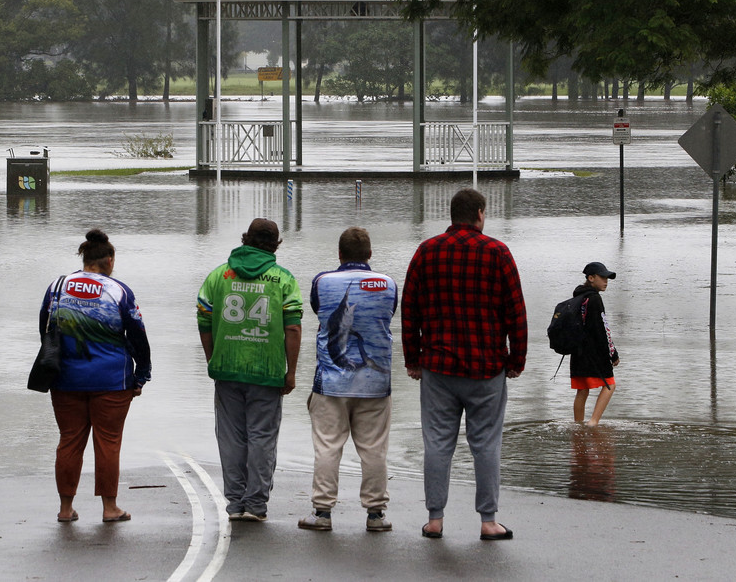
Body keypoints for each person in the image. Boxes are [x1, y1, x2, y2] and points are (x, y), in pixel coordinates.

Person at [402, 187, 527, 541]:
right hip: (486, 366)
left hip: (438, 366)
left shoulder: (426, 252)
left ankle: (435, 519)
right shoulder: (498, 253)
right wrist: (516, 360)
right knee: (486, 444)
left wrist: (414, 359)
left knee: (438, 443)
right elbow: (515, 312)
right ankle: (488, 521)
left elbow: (409, 311)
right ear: (480, 214)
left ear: (452, 214)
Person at [197, 218, 303, 522]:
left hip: (227, 369)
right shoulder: (283, 279)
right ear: (276, 245)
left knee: (231, 438)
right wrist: (291, 370)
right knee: (262, 437)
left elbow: (204, 320)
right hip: (267, 371)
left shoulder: (219, 275)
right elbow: (292, 327)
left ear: (246, 239)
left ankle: (235, 503)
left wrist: (212, 358)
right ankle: (256, 504)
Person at [42, 229, 151, 524]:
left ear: (85, 258)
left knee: (69, 441)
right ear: (110, 260)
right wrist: (142, 373)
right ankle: (109, 508)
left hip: (65, 378)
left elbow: (45, 326)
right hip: (111, 379)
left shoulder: (58, 285)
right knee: (108, 442)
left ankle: (65, 509)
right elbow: (138, 335)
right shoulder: (118, 290)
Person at [299, 227, 398, 533]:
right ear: (369, 254)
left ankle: (322, 512)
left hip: (330, 384)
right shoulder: (389, 284)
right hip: (376, 384)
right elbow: (388, 315)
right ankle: (376, 514)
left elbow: (319, 312)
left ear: (339, 254)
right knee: (374, 449)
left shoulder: (322, 281)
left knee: (328, 447)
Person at [570, 262, 620, 427]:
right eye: (603, 277)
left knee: (582, 390)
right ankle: (593, 423)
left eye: (607, 278)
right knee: (610, 385)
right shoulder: (595, 299)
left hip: (577, 352)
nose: (606, 281)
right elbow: (602, 329)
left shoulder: (578, 297)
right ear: (591, 278)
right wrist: (612, 353)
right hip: (594, 353)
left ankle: (578, 426)